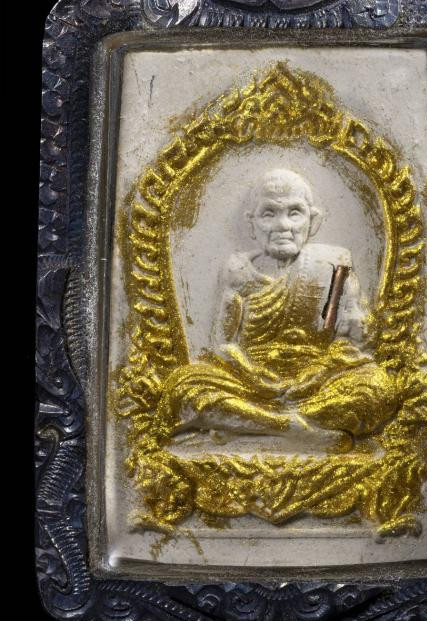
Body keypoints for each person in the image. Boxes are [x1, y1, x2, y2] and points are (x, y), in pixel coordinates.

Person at [154, 169, 398, 451]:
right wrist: (252, 374)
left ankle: (251, 426)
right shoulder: (239, 271)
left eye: (295, 213)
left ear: (313, 220)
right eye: (269, 214)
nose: (283, 225)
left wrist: (321, 370)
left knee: (376, 388)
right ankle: (292, 428)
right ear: (252, 223)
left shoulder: (334, 265)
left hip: (317, 384)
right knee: (183, 388)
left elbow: (356, 341)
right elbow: (223, 344)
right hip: (251, 383)